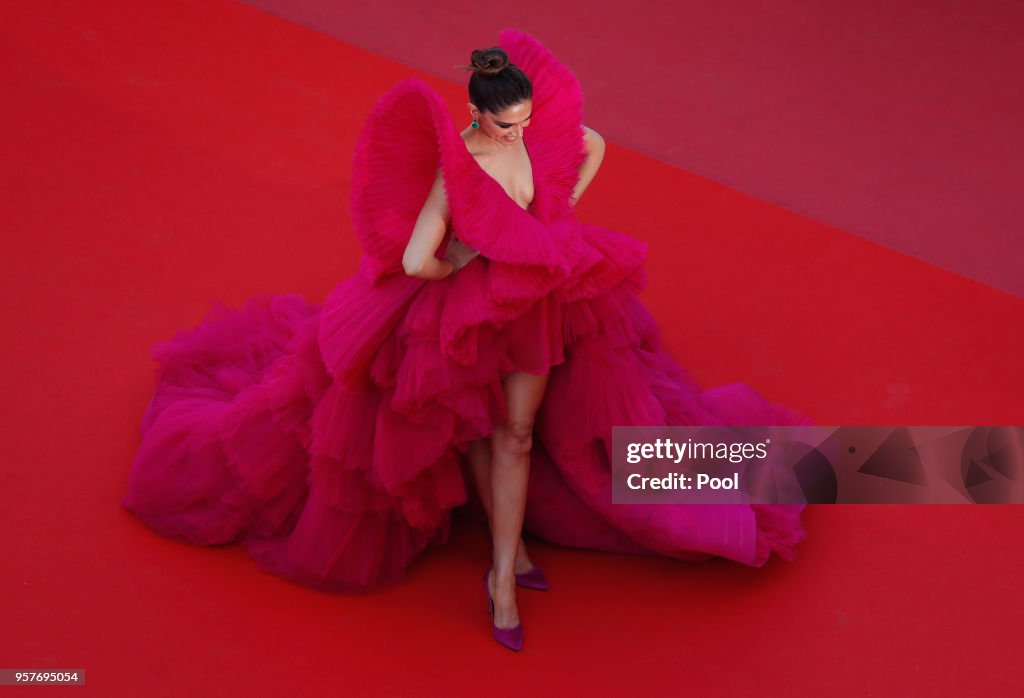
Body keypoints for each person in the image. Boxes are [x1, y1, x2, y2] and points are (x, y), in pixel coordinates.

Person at [122, 29, 812, 653]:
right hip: (468, 321)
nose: (520, 134)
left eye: (526, 121)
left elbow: (591, 142)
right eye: (508, 124)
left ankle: (507, 563)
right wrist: (463, 262)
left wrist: (555, 214)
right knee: (480, 429)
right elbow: (421, 258)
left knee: (513, 433)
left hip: (537, 308)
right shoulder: (456, 174)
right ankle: (505, 579)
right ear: (478, 115)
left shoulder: (533, 139)